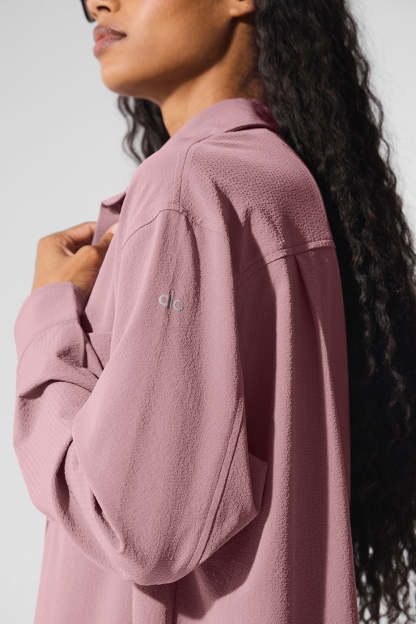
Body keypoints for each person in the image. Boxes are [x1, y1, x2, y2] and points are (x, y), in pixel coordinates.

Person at [12, 0, 416, 623]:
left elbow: (135, 525)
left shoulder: (189, 185)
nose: (95, 3)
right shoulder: (281, 184)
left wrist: (48, 320)